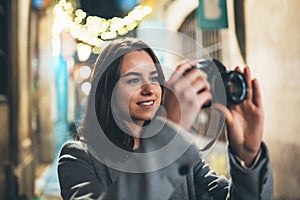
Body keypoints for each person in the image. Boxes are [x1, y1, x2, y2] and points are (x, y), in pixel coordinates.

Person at [57, 37, 273, 199]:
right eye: (133, 80)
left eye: (154, 77)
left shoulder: (181, 153)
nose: (150, 89)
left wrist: (247, 158)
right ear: (107, 92)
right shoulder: (78, 158)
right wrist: (170, 128)